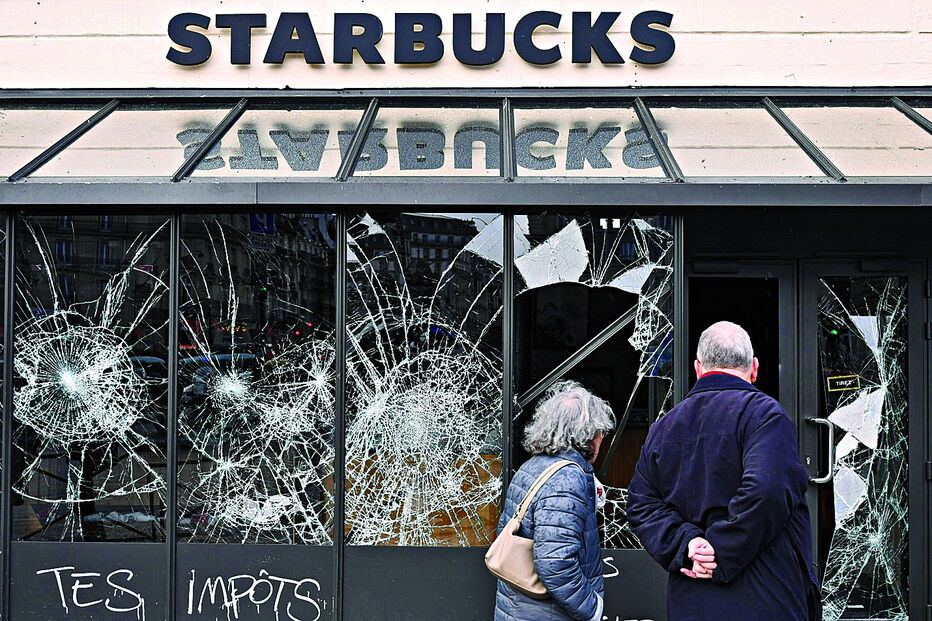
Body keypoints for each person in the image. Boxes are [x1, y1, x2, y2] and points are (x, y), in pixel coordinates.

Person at [627, 321, 821, 621]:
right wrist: (719, 552)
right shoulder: (765, 414)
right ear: (754, 368)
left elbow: (642, 504)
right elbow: (768, 490)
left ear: (697, 368)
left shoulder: (663, 427)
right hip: (766, 595)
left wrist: (688, 544)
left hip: (692, 597)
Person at [494, 380, 615, 621]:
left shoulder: (533, 466)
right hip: (547, 613)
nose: (602, 438)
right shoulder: (567, 478)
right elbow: (555, 563)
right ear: (589, 435)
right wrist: (592, 609)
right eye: (601, 431)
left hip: (519, 609)